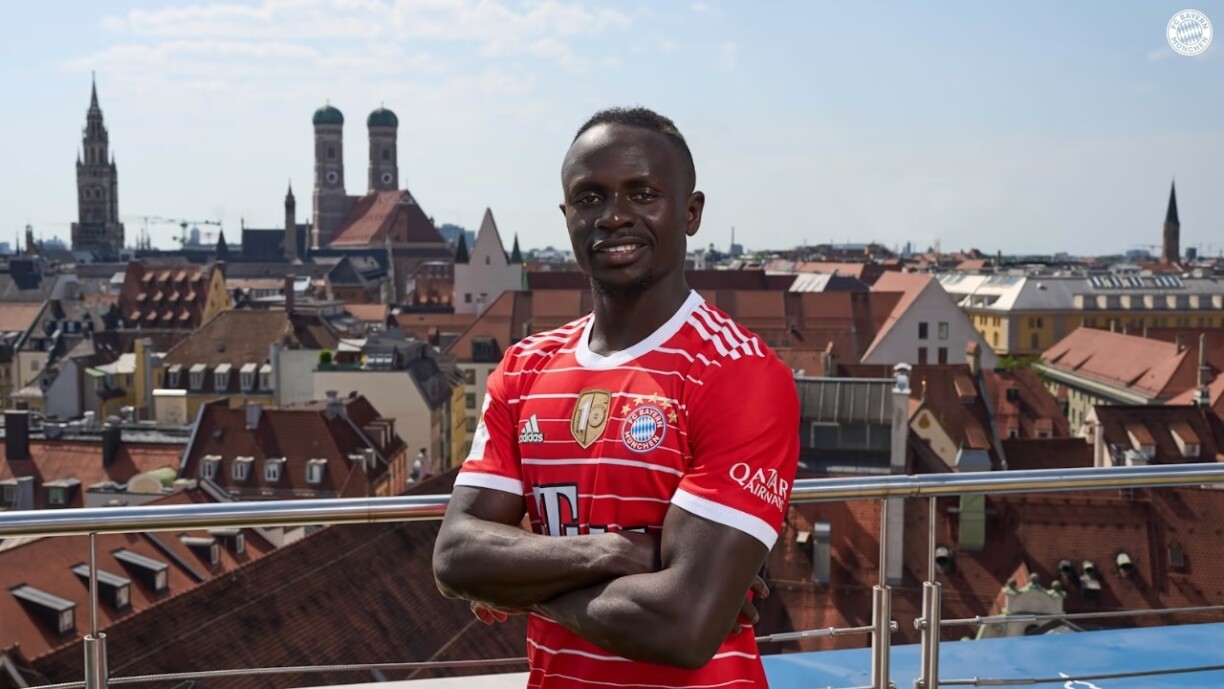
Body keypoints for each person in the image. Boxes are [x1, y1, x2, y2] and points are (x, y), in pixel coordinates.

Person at [433, 107, 799, 688]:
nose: (614, 216)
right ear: (567, 217)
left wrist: (521, 581)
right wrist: (608, 553)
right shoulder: (525, 368)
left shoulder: (738, 372)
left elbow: (683, 626)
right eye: (589, 198)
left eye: (643, 194)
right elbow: (455, 557)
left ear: (691, 212)